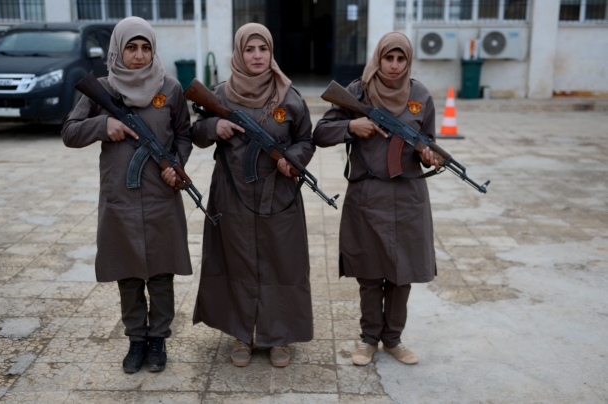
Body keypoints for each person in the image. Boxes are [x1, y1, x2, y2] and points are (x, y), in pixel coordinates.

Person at [165, 22, 314, 368]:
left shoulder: (288, 95)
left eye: (263, 49)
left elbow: (307, 139)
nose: (257, 56)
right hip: (232, 193)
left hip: (279, 195)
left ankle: (279, 336)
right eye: (250, 49)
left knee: (282, 262)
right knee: (237, 260)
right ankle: (241, 335)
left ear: (271, 52)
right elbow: (193, 131)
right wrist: (212, 127)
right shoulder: (220, 94)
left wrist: (293, 161)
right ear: (239, 52)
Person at [61, 17, 193, 373]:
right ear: (118, 50)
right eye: (131, 48)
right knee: (129, 273)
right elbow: (70, 132)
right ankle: (136, 340)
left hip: (161, 197)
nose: (138, 56)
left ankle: (158, 340)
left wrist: (175, 166)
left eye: (145, 48)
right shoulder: (101, 89)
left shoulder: (170, 88)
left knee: (162, 273)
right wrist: (103, 125)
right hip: (120, 198)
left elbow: (184, 133)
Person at [313, 32, 439, 366]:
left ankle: (393, 340)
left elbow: (429, 141)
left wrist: (429, 155)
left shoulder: (420, 94)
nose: (394, 66)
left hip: (408, 196)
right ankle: (368, 340)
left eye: (401, 59)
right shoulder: (357, 91)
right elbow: (320, 133)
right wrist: (352, 126)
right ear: (378, 58)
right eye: (388, 58)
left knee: (403, 273)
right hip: (367, 195)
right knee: (369, 273)